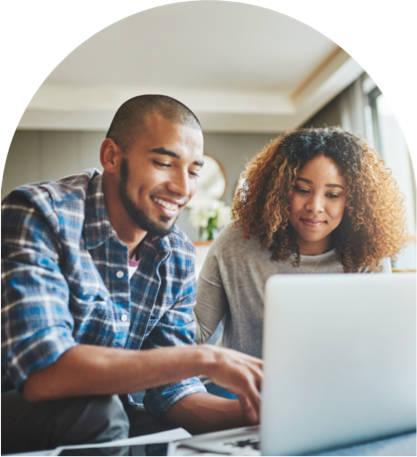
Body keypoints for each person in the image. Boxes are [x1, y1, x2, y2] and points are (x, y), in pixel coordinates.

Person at [0, 95, 262, 454]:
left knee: (173, 437)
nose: (183, 188)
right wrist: (205, 358)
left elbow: (172, 392)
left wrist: (259, 416)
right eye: (163, 163)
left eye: (193, 171)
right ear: (111, 156)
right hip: (16, 401)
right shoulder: (39, 214)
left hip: (105, 411)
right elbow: (43, 373)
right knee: (100, 414)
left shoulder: (177, 255)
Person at [193, 126, 408, 398]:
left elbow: (379, 345)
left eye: (333, 194)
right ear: (281, 189)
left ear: (352, 200)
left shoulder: (367, 254)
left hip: (335, 391)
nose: (315, 206)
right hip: (244, 391)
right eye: (302, 189)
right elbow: (197, 331)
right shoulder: (238, 241)